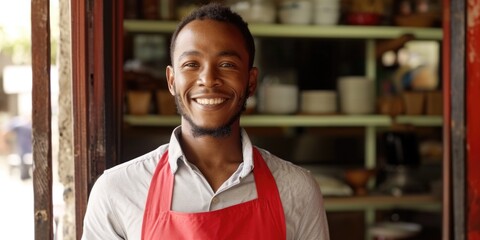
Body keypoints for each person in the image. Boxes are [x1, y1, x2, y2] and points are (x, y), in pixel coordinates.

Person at [82, 3, 329, 239]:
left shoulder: (298, 190)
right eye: (191, 64)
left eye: (227, 64)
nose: (208, 79)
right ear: (171, 80)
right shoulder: (117, 190)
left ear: (251, 81)